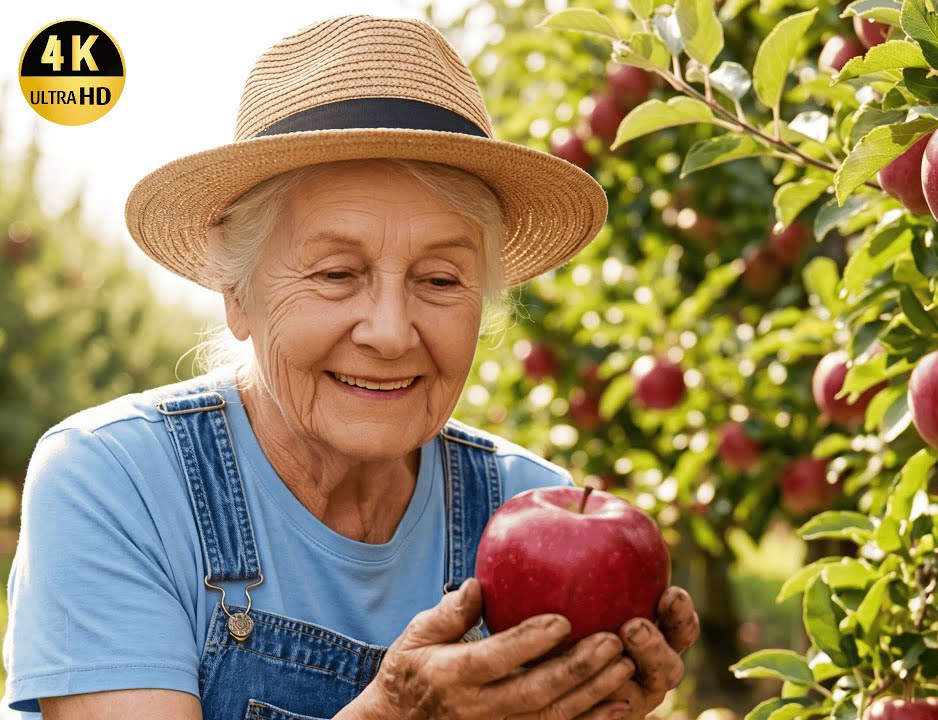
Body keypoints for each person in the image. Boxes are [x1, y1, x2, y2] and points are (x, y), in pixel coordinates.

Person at [3, 15, 699, 720]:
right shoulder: (117, 483)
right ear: (237, 296)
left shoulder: (524, 506)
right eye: (337, 273)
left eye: (440, 280)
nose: (392, 333)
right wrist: (398, 713)